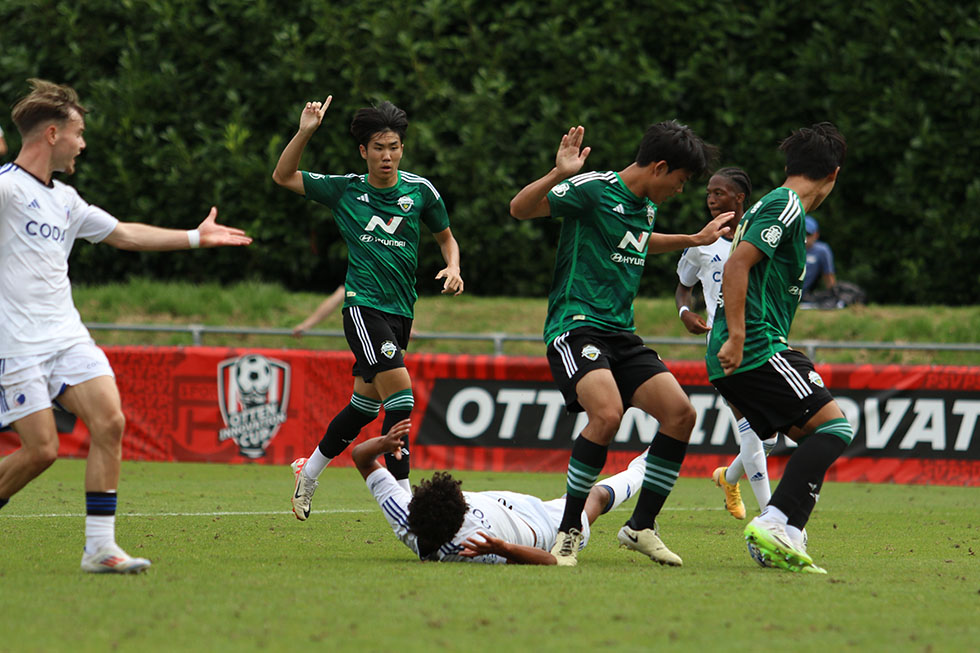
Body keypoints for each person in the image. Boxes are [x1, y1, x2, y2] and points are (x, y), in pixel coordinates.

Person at [0, 79, 252, 573]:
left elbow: (125, 235)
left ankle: (100, 548)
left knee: (110, 422)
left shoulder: (66, 200)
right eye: (78, 132)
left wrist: (194, 237)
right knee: (41, 450)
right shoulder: (7, 188)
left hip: (66, 335)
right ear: (52, 134)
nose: (83, 143)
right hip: (16, 343)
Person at [509, 121, 731, 566]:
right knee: (607, 413)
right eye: (681, 181)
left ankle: (640, 527)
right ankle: (569, 532)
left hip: (620, 334)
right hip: (576, 327)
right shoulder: (592, 188)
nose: (681, 191)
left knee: (681, 414)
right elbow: (520, 209)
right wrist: (558, 175)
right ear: (660, 167)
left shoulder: (646, 205)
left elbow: (639, 242)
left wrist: (695, 239)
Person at [273, 96, 463, 521]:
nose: (387, 156)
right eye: (378, 147)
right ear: (364, 152)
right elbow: (283, 176)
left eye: (394, 146)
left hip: (401, 313)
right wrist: (305, 131)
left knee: (364, 405)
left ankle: (310, 470)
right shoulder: (346, 189)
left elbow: (446, 237)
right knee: (402, 397)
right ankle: (405, 498)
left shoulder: (420, 191)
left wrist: (453, 266)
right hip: (363, 307)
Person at [706, 122, 849, 574]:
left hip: (747, 350)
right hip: (755, 346)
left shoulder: (775, 204)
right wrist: (738, 335)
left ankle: (787, 531)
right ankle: (777, 521)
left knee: (813, 437)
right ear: (834, 174)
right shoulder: (786, 206)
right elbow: (736, 266)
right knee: (836, 429)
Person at [351, 420, 649, 564]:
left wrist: (383, 443)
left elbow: (360, 458)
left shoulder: (406, 515)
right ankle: (646, 464)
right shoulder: (471, 549)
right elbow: (554, 561)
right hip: (544, 528)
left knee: (583, 496)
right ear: (459, 521)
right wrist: (502, 548)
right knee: (593, 497)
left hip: (508, 504)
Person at [674, 167, 779, 520]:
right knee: (749, 427)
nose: (711, 199)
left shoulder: (757, 237)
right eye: (708, 193)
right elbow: (683, 287)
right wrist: (685, 311)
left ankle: (728, 477)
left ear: (739, 198)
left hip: (760, 336)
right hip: (722, 341)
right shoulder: (702, 242)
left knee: (770, 435)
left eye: (719, 193)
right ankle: (771, 515)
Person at [801, 215, 836, 298]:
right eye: (802, 233)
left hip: (805, 294)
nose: (805, 237)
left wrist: (834, 296)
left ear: (816, 235)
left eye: (808, 234)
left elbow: (828, 275)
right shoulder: (789, 248)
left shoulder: (822, 251)